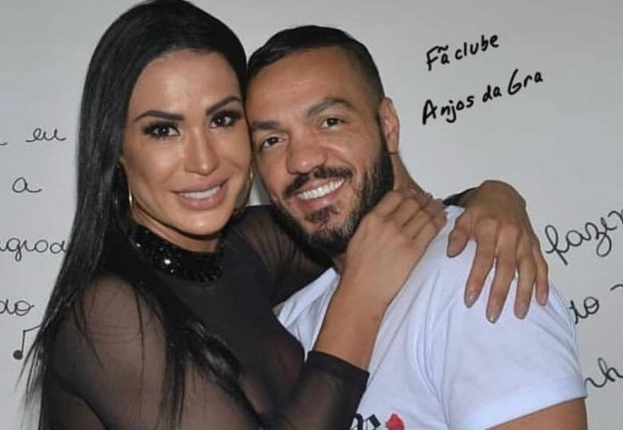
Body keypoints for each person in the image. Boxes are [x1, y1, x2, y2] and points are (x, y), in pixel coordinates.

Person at [24, 1, 550, 428]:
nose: (203, 160)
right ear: (116, 150)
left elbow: (363, 209)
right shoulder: (108, 313)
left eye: (222, 119)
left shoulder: (245, 251)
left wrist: (492, 198)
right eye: (164, 129)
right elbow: (367, 259)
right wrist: (359, 300)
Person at [245, 25, 587, 429]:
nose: (301, 160)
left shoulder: (475, 273)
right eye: (272, 140)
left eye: (330, 121)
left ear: (388, 125)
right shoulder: (292, 321)